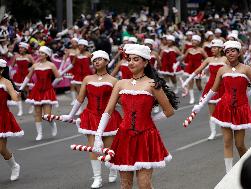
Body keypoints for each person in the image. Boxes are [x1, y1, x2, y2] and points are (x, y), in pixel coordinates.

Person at [94, 44, 178, 188]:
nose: (131, 63)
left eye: (136, 59)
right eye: (129, 59)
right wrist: (97, 136)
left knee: (144, 184)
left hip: (146, 137)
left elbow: (169, 111)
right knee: (125, 184)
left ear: (145, 62)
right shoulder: (121, 84)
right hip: (124, 137)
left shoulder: (152, 84)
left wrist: (149, 120)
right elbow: (108, 111)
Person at [191, 41, 251, 173]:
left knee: (240, 145)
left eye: (233, 50)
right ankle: (228, 173)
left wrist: (246, 95)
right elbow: (213, 90)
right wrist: (200, 104)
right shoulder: (222, 69)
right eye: (227, 51)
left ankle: (247, 168)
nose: (230, 53)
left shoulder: (246, 69)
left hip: (241, 109)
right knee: (227, 141)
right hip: (224, 107)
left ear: (239, 52)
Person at [61, 50, 122, 188]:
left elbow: (119, 101)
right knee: (93, 148)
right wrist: (71, 115)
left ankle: (112, 169)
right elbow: (80, 99)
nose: (97, 62)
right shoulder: (87, 79)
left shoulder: (114, 81)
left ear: (106, 61)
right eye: (94, 60)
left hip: (109, 117)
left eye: (100, 59)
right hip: (91, 116)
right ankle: (97, 178)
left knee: (109, 147)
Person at [183, 39, 227, 140]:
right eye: (212, 48)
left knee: (224, 110)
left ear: (220, 49)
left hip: (223, 87)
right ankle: (213, 132)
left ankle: (226, 129)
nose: (212, 49)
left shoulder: (225, 59)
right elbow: (198, 70)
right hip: (210, 87)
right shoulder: (209, 59)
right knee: (211, 113)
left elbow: (234, 69)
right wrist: (187, 80)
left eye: (215, 48)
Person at [19, 46, 60, 141]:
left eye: (42, 53)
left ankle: (53, 124)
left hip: (47, 91)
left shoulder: (51, 65)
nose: (39, 54)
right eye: (39, 52)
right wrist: (20, 89)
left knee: (47, 116)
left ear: (46, 55)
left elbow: (58, 77)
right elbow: (28, 78)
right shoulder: (35, 65)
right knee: (37, 113)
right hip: (37, 91)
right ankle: (39, 134)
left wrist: (51, 86)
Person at [0, 59, 23, 181]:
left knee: (1, 149)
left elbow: (15, 99)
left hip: (2, 116)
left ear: (2, 70)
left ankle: (14, 166)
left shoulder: (6, 82)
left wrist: (16, 95)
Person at [183, 35, 208, 103]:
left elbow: (207, 58)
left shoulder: (201, 50)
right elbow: (184, 57)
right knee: (190, 83)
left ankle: (202, 95)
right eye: (193, 40)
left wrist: (204, 66)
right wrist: (177, 63)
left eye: (195, 41)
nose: (193, 42)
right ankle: (192, 98)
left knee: (198, 85)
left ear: (199, 42)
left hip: (198, 68)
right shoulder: (189, 49)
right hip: (190, 68)